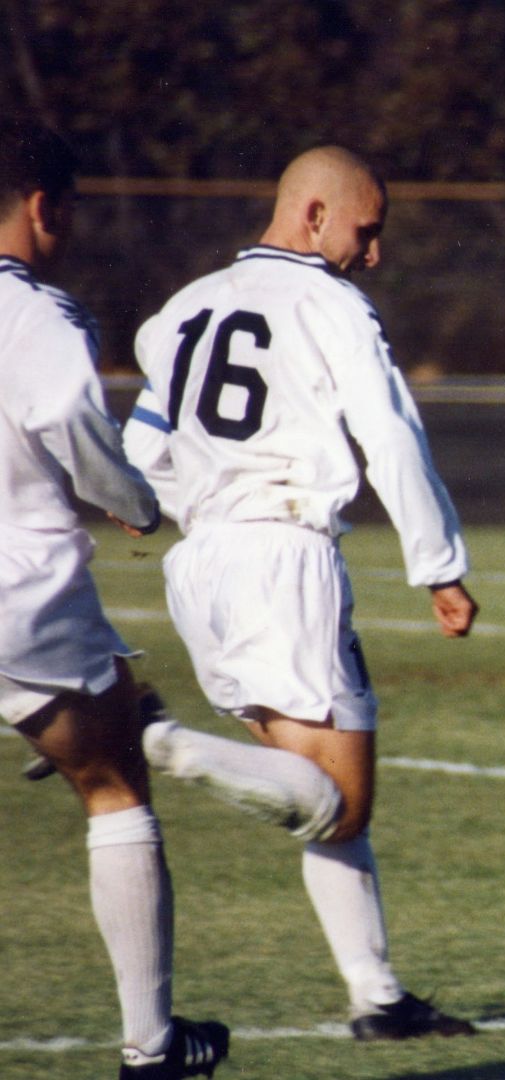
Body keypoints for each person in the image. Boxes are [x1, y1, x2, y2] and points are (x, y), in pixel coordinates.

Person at [121, 146, 480, 1041]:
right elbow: (390, 435)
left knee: (320, 797)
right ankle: (158, 739)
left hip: (200, 566)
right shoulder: (330, 305)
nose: (374, 254)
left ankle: (379, 998)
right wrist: (438, 563)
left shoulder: (181, 311)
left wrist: (147, 507)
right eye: (368, 230)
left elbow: (142, 449)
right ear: (314, 215)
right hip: (284, 555)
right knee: (340, 803)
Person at [0, 116, 230, 1079]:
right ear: (45, 205)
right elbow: (62, 416)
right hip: (22, 594)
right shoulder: (35, 315)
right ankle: (152, 1050)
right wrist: (132, 500)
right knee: (115, 784)